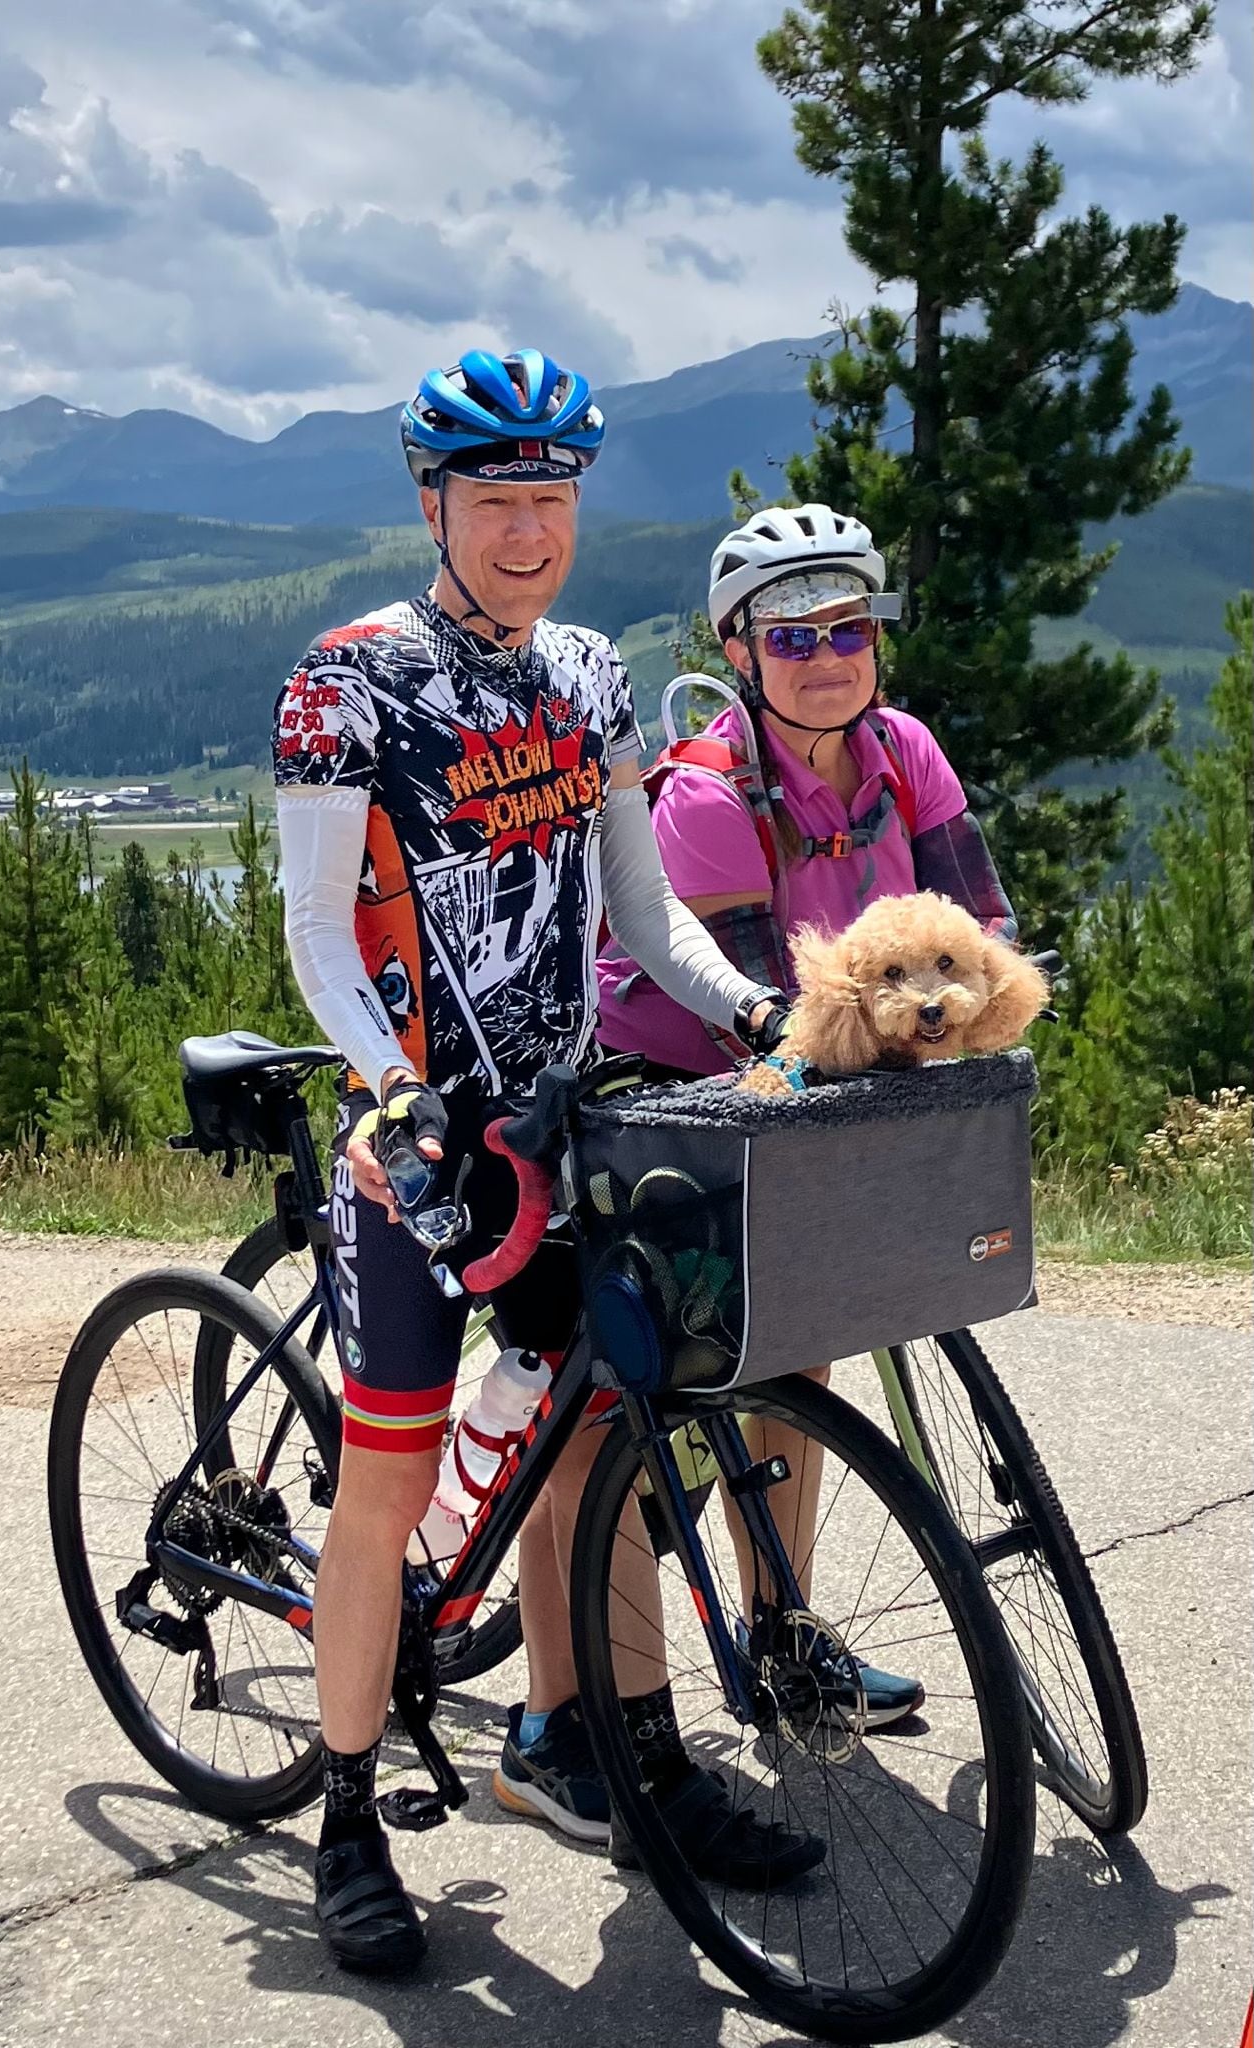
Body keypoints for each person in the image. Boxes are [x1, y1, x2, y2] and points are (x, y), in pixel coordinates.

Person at [273, 351, 819, 1979]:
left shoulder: (587, 674)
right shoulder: (349, 680)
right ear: (431, 500)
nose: (527, 527)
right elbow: (314, 928)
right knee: (384, 1485)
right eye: (495, 496)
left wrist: (755, 1012)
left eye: (552, 494)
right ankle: (348, 1815)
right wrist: (389, 1095)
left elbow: (640, 918)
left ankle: (627, 1752)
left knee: (599, 1436)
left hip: (556, 1123)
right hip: (417, 1144)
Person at [598, 502, 1021, 1723]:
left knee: (806, 1347)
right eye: (791, 637)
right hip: (685, 1081)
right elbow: (772, 1014)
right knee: (660, 1370)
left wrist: (966, 1007)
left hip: (832, 1079)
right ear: (737, 651)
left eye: (848, 625)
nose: (827, 653)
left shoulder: (906, 752)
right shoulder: (707, 793)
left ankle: (783, 1631)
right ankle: (616, 1675)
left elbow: (974, 921)